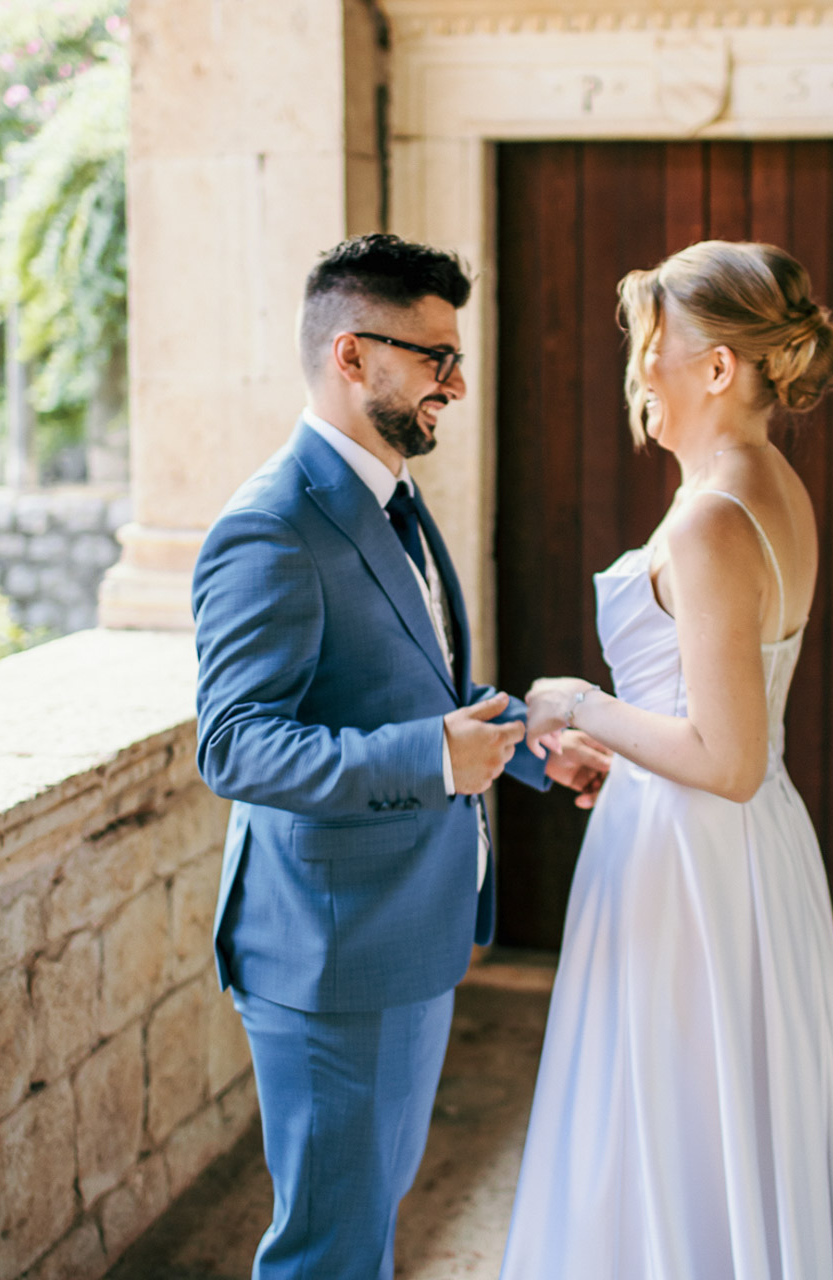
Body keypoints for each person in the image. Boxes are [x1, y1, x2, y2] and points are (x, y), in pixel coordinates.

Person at [191, 234, 610, 1280]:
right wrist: (432, 758)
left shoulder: (394, 498)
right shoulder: (271, 526)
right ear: (350, 355)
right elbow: (236, 743)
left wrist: (524, 751)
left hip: (403, 936)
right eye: (433, 358)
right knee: (327, 1249)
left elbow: (415, 695)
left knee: (364, 1229)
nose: (456, 384)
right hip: (331, 956)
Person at [503, 241, 833, 1278]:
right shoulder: (760, 487)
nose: (641, 374)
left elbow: (727, 757)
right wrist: (613, 742)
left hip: (693, 853)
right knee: (701, 1117)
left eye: (652, 349)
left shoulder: (717, 515)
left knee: (671, 1115)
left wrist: (575, 700)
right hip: (715, 844)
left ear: (718, 368)